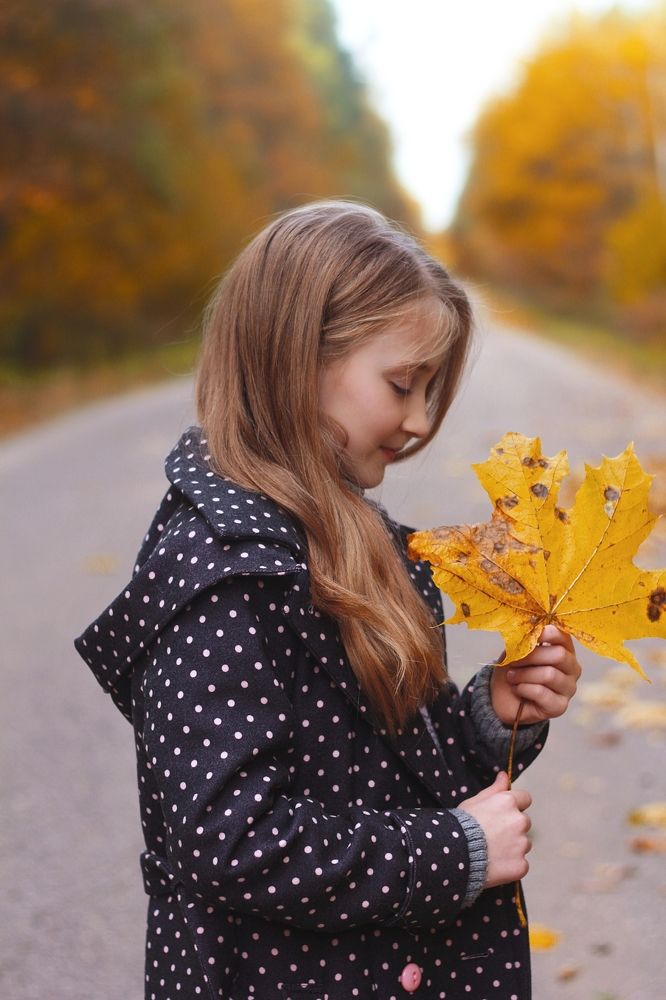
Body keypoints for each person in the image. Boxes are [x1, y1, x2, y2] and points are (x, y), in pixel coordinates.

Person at [75, 201, 581, 1000]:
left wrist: (489, 714)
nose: (419, 421)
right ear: (295, 357)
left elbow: (381, 767)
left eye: (431, 391)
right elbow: (231, 837)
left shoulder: (360, 543)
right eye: (402, 384)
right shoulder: (223, 573)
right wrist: (455, 853)